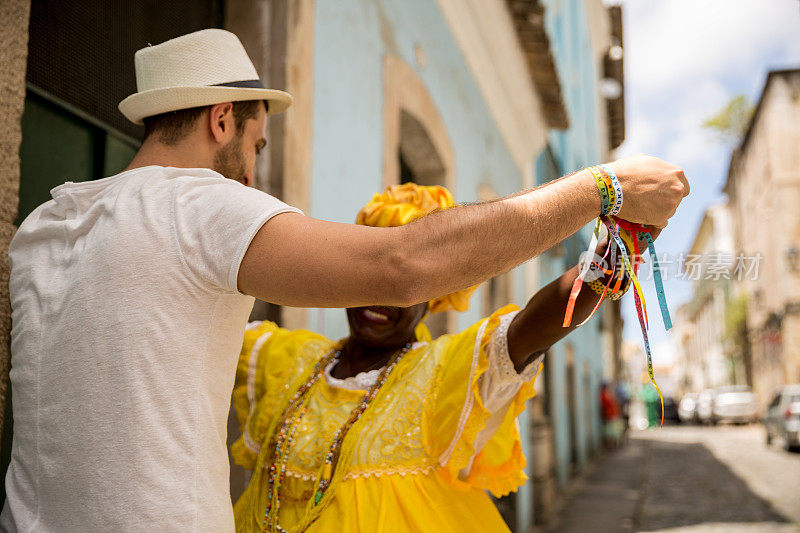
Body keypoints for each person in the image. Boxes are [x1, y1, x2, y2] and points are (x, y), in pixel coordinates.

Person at [1, 29, 688, 532]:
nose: (252, 175)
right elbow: (404, 262)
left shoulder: (43, 227)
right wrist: (608, 186)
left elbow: (537, 320)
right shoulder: (208, 213)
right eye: (257, 148)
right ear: (221, 120)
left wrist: (616, 256)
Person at [231, 183, 656, 532]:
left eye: (398, 283)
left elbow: (531, 329)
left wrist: (614, 255)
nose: (379, 296)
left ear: (431, 300)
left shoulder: (444, 372)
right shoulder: (286, 357)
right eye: (370, 275)